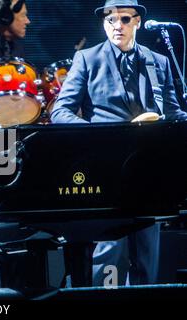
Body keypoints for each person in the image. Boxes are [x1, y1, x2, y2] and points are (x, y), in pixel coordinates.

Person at [51, 0, 187, 286]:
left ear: (137, 21)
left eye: (124, 19)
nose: (117, 25)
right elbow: (60, 112)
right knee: (109, 253)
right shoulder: (88, 58)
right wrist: (101, 135)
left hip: (149, 168)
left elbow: (173, 113)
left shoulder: (157, 61)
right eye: (110, 19)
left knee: (147, 257)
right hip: (106, 167)